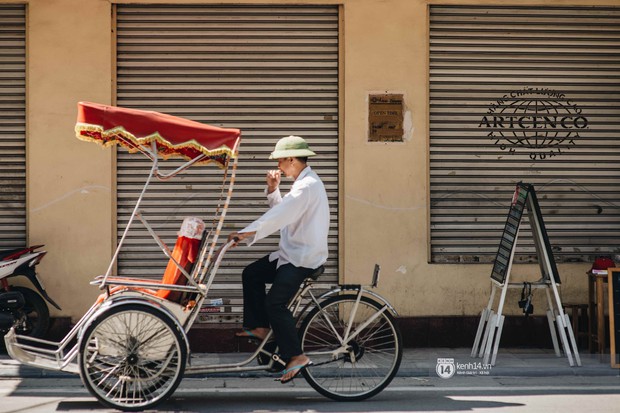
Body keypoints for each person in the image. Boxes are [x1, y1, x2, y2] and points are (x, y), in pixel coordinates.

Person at [228, 135, 330, 383]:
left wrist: (248, 232)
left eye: (281, 161)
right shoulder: (302, 185)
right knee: (251, 274)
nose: (279, 167)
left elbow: (281, 214)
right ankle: (261, 328)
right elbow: (286, 211)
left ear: (292, 160)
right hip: (290, 252)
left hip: (302, 257)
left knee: (275, 304)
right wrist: (274, 191)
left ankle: (296, 355)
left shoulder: (307, 187)